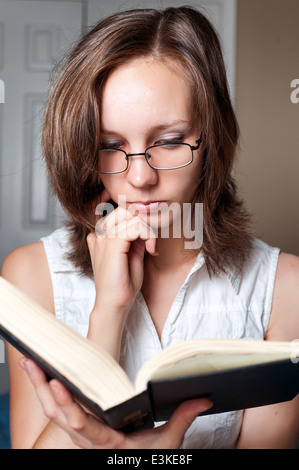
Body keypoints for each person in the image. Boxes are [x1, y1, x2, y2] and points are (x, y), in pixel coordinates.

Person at [1, 6, 299, 449]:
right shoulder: (29, 276)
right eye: (110, 145)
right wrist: (109, 311)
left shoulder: (285, 288)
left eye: (169, 140)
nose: (140, 178)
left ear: (211, 137)